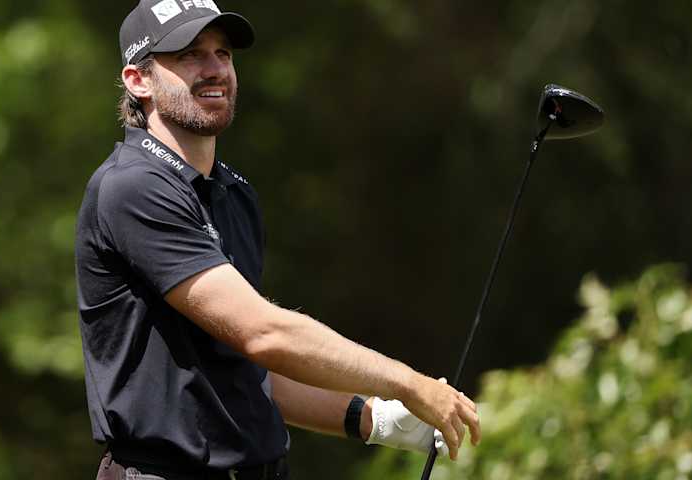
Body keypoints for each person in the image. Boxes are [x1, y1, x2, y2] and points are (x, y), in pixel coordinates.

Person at [75, 1, 481, 479]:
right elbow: (264, 332)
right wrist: (407, 383)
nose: (214, 70)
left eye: (223, 54)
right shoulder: (133, 187)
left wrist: (373, 417)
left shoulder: (234, 194)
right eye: (189, 56)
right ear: (138, 80)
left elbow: (247, 366)